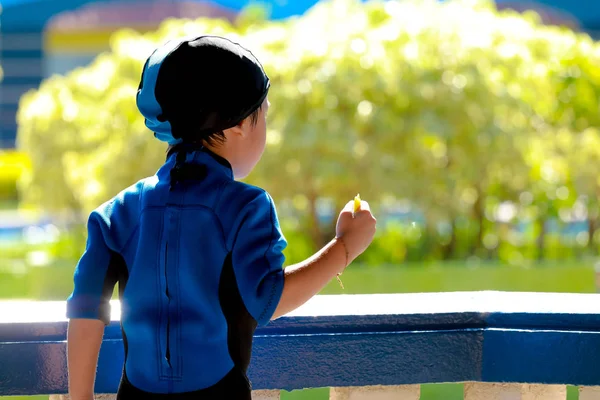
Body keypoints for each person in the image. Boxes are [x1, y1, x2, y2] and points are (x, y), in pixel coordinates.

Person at [65, 35, 377, 400]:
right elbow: (268, 299)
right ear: (240, 124)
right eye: (264, 116)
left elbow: (86, 312)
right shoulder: (246, 208)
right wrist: (344, 247)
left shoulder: (116, 212)